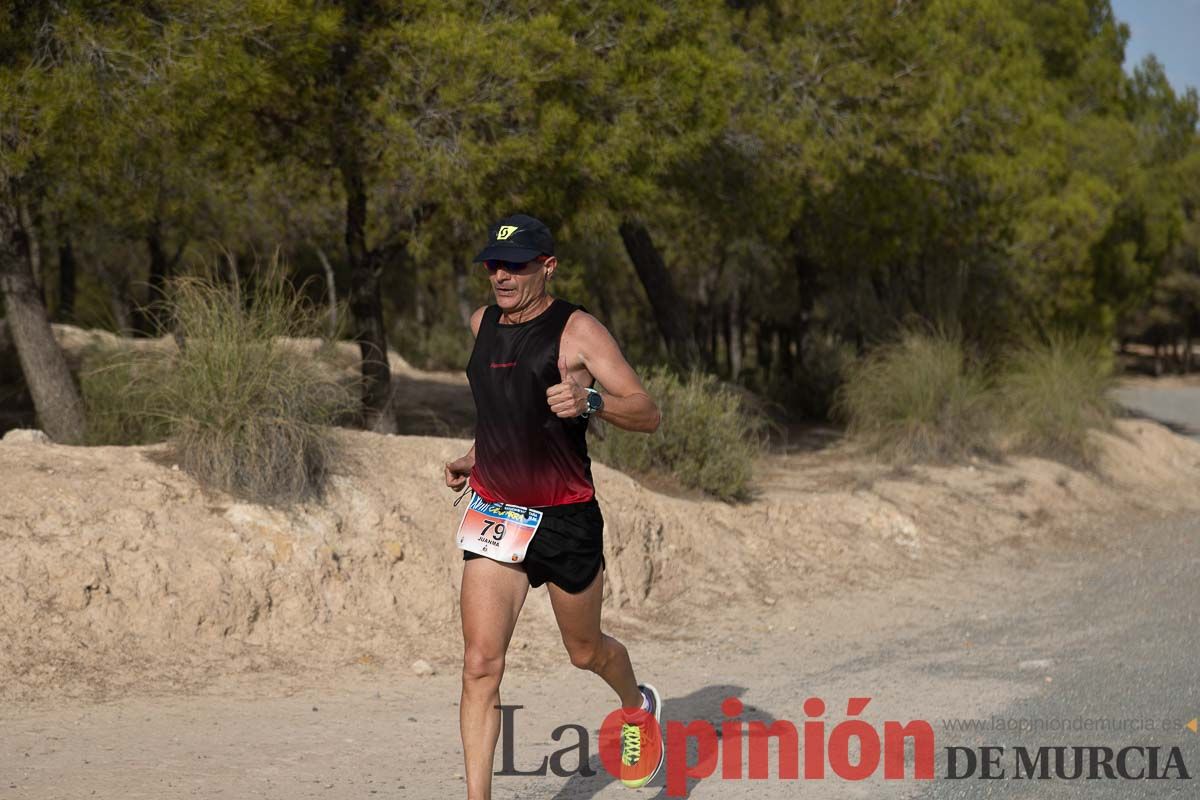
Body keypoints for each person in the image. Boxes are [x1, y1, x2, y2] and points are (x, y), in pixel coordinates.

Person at [444, 213, 664, 797]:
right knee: (479, 664)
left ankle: (636, 705)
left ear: (547, 267)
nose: (501, 275)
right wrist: (476, 455)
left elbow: (646, 411)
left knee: (586, 651)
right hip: (496, 514)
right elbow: (503, 408)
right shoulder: (480, 324)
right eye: (493, 264)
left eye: (516, 265)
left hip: (565, 519)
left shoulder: (578, 330)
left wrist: (590, 400)